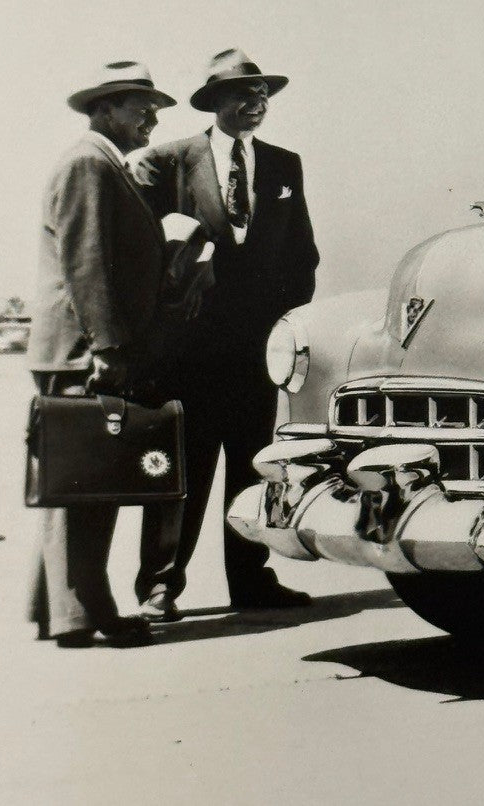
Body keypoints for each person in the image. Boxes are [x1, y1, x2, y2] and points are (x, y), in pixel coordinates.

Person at [133, 48, 319, 618]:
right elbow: (144, 249)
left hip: (254, 353)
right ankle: (161, 585)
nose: (255, 103)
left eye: (262, 93)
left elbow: (303, 257)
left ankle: (250, 580)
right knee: (179, 471)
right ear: (214, 102)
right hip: (188, 354)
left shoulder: (285, 164)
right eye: (243, 93)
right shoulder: (167, 161)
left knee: (250, 468)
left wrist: (278, 325)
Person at [27, 61, 177, 647]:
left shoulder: (99, 164)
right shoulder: (90, 164)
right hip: (83, 351)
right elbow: (86, 263)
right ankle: (84, 616)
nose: (153, 115)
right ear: (105, 108)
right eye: (140, 104)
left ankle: (58, 611)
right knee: (82, 488)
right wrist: (109, 347)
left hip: (75, 347)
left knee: (69, 483)